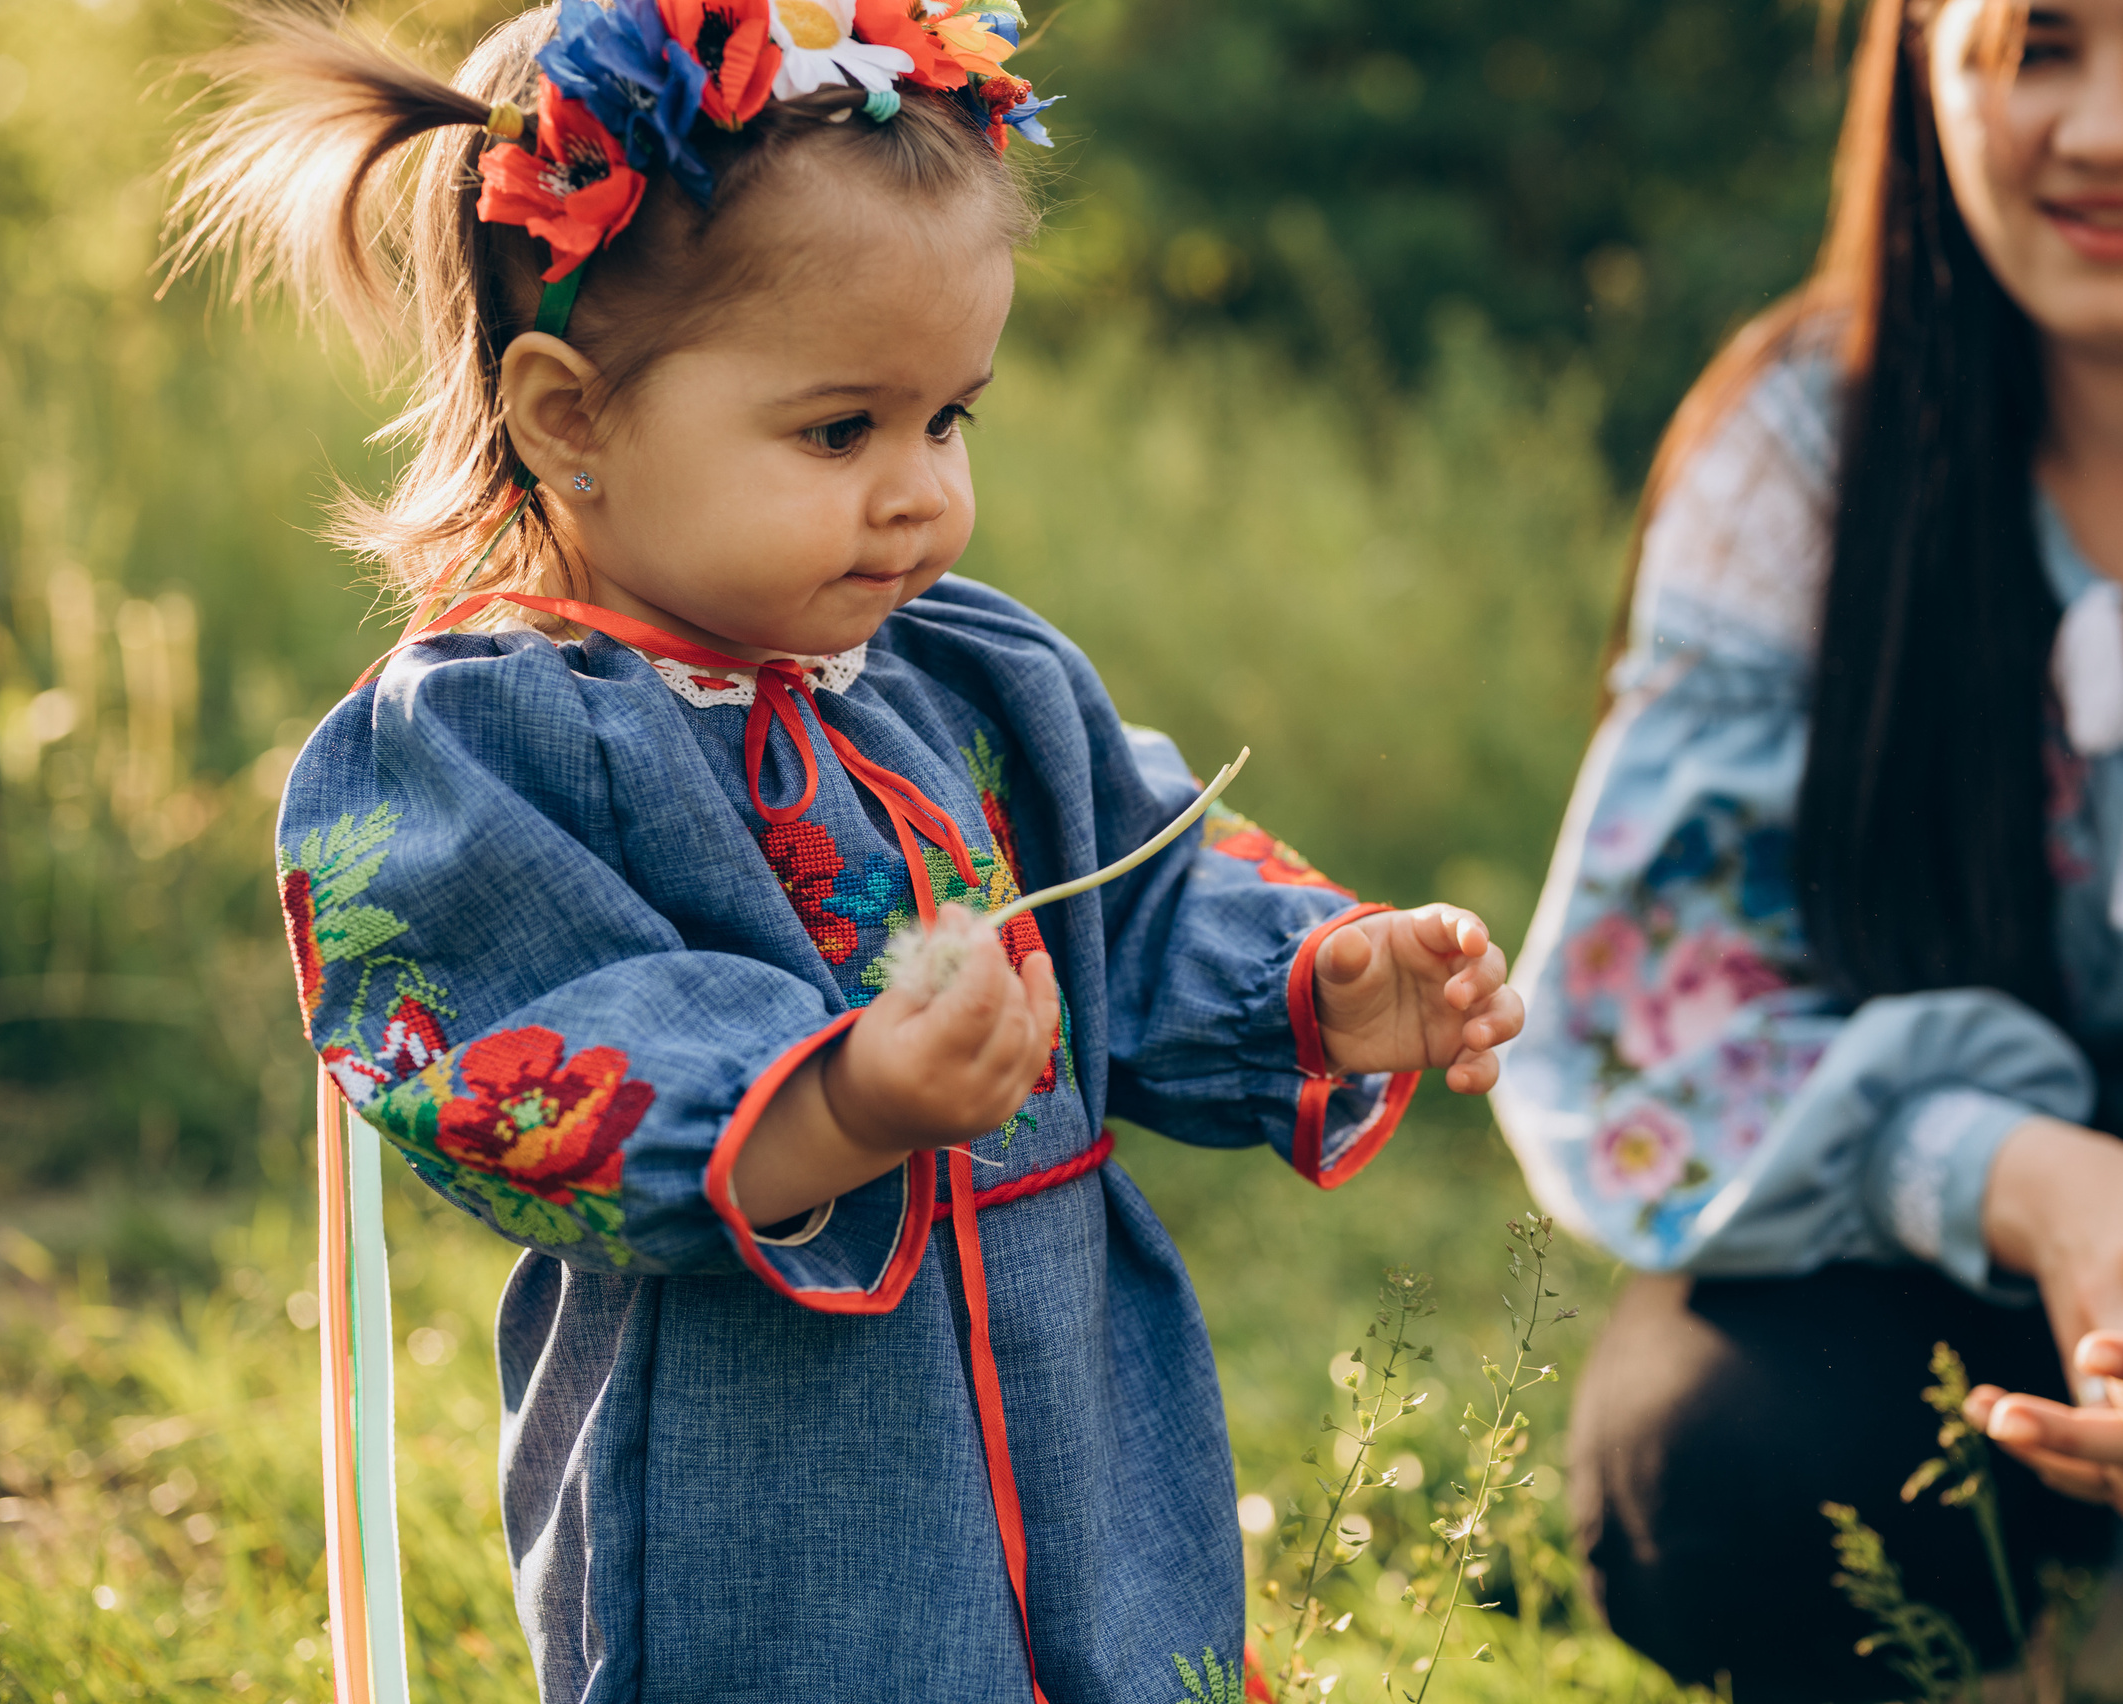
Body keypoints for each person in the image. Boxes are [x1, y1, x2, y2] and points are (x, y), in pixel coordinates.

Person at [168, 4, 1524, 1698]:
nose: (921, 497)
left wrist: (1320, 985)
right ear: (567, 415)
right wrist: (845, 1101)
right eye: (840, 432)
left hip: (1071, 1411)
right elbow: (515, 1048)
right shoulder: (494, 741)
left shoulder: (966, 674)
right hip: (771, 1479)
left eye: (950, 418)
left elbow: (1145, 885)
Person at [1491, 0, 2123, 1696]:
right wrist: (2025, 1182)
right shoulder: (1806, 438)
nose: (2107, 130)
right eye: (2037, 47)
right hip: (1928, 1250)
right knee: (1717, 1469)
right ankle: (2009, 1633)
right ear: (1925, 71)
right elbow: (1647, 1005)